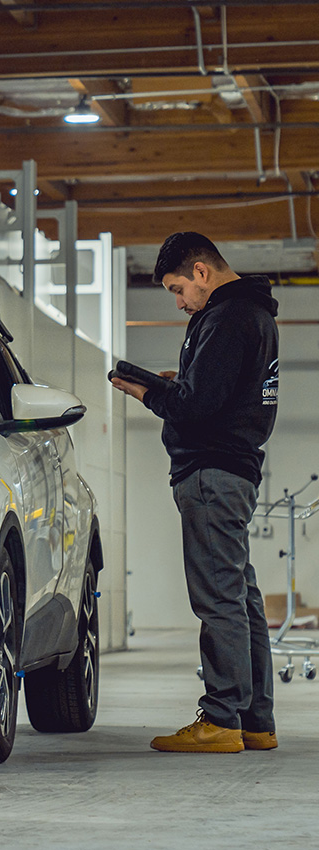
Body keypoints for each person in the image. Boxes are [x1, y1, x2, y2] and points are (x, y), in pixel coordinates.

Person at [112, 232, 279, 752]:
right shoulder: (253, 314)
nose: (180, 302)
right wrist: (176, 383)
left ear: (202, 271)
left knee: (218, 599)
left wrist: (148, 391)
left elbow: (196, 407)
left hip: (211, 473)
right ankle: (255, 721)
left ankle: (221, 719)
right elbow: (215, 391)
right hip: (234, 470)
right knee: (240, 596)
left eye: (178, 289)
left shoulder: (227, 318)